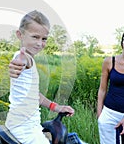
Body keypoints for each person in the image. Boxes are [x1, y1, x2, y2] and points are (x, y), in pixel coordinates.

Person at [5, 10, 75, 144]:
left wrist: (56, 107)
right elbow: (22, 62)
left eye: (44, 39)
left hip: (29, 125)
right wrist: (18, 65)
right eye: (35, 37)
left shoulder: (30, 59)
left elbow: (34, 95)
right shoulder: (24, 58)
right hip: (24, 128)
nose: (39, 43)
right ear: (20, 35)